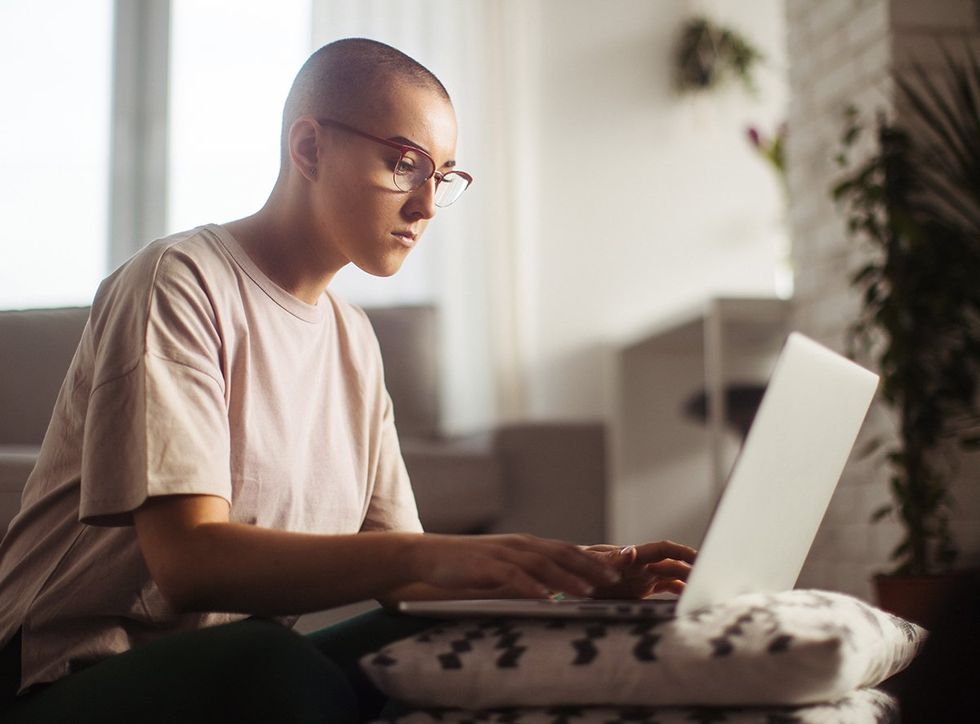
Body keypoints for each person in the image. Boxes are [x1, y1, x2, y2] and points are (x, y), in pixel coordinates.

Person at [0, 38, 696, 723]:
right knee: (273, 663)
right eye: (404, 163)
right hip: (62, 675)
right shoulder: (178, 282)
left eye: (443, 176)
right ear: (309, 149)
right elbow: (187, 560)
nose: (426, 205)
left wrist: (574, 581)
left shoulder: (354, 340)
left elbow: (417, 586)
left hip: (223, 665)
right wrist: (441, 558)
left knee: (458, 641)